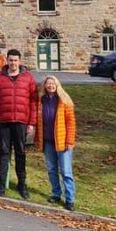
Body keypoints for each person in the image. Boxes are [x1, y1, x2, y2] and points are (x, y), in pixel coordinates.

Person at [0, 49, 37, 199]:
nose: (13, 63)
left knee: (20, 153)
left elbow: (33, 102)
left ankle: (22, 184)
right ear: (7, 60)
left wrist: (32, 123)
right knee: (4, 153)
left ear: (20, 61)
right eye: (11, 60)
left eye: (15, 60)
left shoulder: (28, 78)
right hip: (4, 121)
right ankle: (1, 183)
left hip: (21, 121)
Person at [36, 75, 77, 211]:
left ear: (57, 85)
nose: (50, 86)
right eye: (48, 84)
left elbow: (71, 123)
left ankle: (70, 199)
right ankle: (56, 194)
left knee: (66, 171)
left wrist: (69, 140)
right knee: (52, 169)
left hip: (62, 141)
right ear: (45, 86)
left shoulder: (64, 100)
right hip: (48, 141)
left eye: (53, 84)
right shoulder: (41, 100)